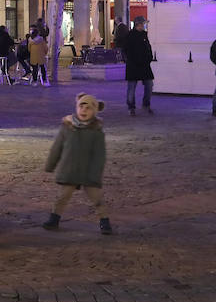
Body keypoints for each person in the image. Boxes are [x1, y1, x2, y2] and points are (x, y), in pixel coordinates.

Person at [41, 93, 111, 235]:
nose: (84, 111)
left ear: (95, 111)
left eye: (89, 108)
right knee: (62, 197)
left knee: (97, 199)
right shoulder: (67, 127)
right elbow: (57, 148)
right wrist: (50, 165)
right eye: (81, 107)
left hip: (88, 173)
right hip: (70, 170)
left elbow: (99, 155)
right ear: (77, 108)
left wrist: (96, 173)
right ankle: (54, 218)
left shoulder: (96, 132)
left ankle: (104, 221)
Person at [120, 16, 154, 115]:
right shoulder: (130, 36)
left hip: (144, 65)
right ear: (138, 24)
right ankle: (131, 107)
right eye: (143, 24)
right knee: (131, 87)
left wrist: (149, 58)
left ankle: (146, 104)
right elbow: (126, 50)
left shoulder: (144, 35)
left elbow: (148, 48)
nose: (144, 26)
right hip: (133, 65)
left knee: (149, 85)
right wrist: (131, 60)